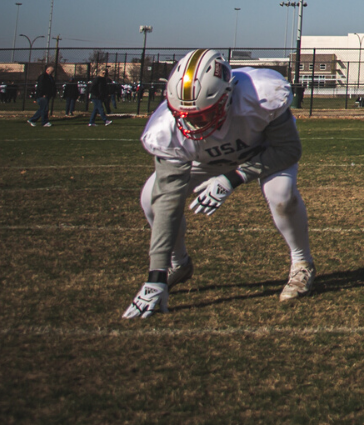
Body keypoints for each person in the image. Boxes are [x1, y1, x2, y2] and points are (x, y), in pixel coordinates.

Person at [123, 50, 313, 318]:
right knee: (150, 199)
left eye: (202, 115)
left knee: (281, 195)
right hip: (203, 162)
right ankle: (177, 264)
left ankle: (301, 262)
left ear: (228, 96)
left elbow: (288, 151)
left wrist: (233, 177)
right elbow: (168, 200)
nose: (192, 123)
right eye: (184, 114)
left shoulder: (260, 94)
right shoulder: (165, 129)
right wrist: (155, 275)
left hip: (261, 153)